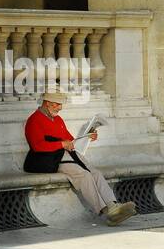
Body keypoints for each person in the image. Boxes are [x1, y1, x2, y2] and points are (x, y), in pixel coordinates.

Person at [23, 92, 137, 225]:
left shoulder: (58, 120)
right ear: (47, 103)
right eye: (58, 104)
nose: (60, 107)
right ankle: (108, 213)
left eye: (60, 104)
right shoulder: (34, 120)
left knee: (95, 173)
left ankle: (113, 206)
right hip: (51, 160)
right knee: (84, 176)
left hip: (68, 154)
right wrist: (61, 144)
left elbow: (71, 140)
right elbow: (37, 146)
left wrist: (88, 137)